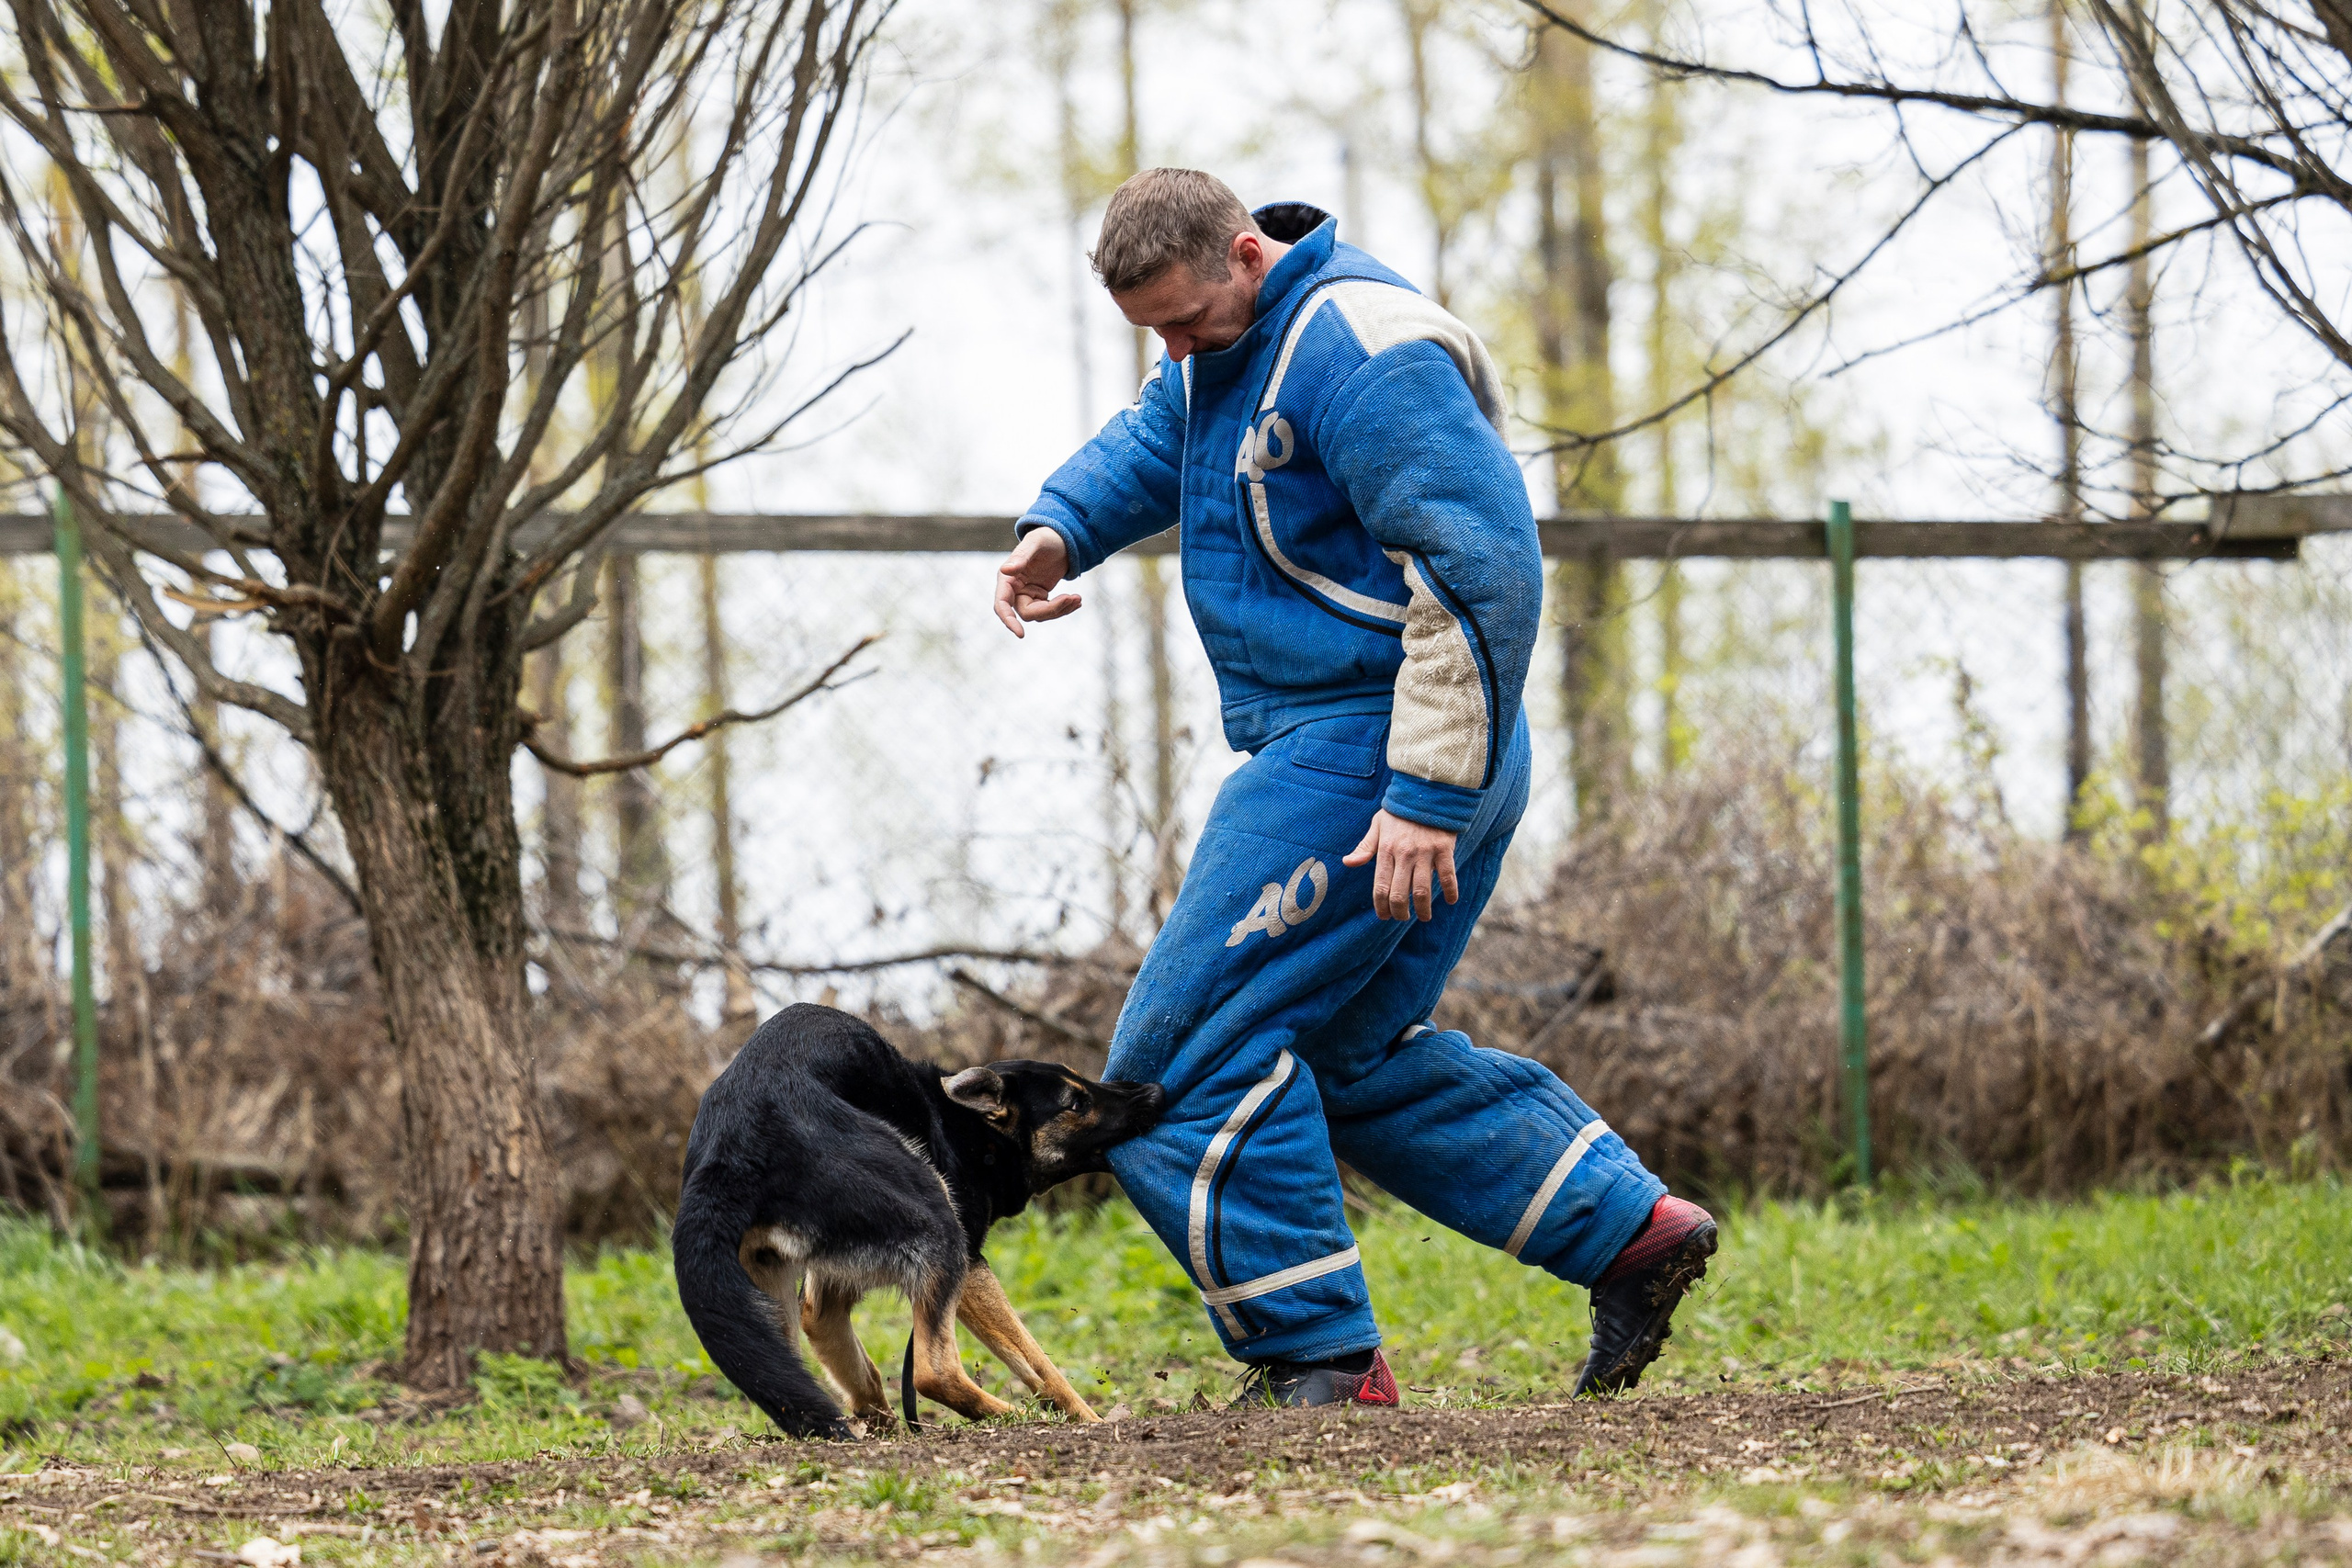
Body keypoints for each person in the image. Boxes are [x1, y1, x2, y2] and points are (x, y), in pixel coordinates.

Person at [992, 168, 1714, 1406]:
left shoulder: (1365, 350)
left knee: (1176, 1060)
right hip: (1372, 745)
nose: (1172, 351)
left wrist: (1425, 794)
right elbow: (1162, 432)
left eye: (1183, 322)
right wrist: (1061, 526)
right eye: (1151, 334)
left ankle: (1317, 1358)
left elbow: (1480, 568)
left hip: (1377, 745)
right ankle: (1625, 1232)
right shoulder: (1230, 344)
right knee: (1346, 1051)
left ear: (1245, 254)